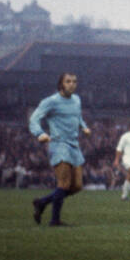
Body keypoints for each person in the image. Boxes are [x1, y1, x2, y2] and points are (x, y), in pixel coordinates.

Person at [29, 72, 91, 227]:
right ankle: (54, 220)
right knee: (63, 184)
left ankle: (42, 202)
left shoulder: (77, 100)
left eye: (74, 81)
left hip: (74, 145)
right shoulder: (51, 101)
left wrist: (84, 127)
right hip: (59, 145)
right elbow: (34, 119)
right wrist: (40, 133)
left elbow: (78, 117)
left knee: (77, 186)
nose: (72, 84)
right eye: (68, 81)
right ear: (61, 84)